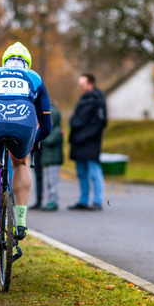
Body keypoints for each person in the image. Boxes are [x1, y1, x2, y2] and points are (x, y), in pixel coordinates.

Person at [0, 42, 51, 258]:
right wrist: (34, 142)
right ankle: (21, 222)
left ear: (4, 62)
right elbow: (47, 126)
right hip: (23, 125)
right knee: (20, 163)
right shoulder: (34, 77)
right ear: (27, 62)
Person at [68, 73, 108, 210]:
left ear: (90, 85)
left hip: (91, 143)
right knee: (81, 172)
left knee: (94, 171)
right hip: (78, 143)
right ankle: (83, 200)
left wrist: (86, 135)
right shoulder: (82, 100)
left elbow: (101, 122)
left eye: (82, 85)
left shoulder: (98, 100)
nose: (79, 87)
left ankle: (98, 201)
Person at [39, 100, 64, 211]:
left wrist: (42, 137)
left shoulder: (57, 131)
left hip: (54, 160)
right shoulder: (52, 130)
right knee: (49, 181)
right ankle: (50, 200)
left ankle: (54, 201)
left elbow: (49, 141)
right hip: (48, 160)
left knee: (53, 181)